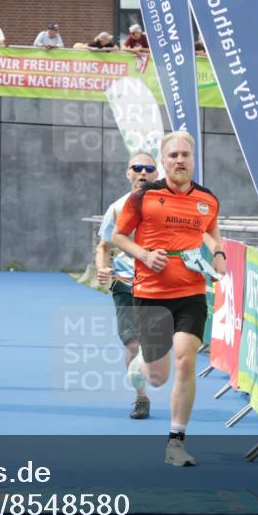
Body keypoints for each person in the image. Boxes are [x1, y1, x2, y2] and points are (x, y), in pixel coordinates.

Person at [111, 131, 225, 467]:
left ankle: (176, 442)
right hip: (151, 293)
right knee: (157, 376)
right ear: (163, 162)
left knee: (187, 360)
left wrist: (217, 253)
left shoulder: (208, 199)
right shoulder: (144, 197)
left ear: (193, 159)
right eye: (173, 155)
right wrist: (145, 256)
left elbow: (212, 231)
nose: (179, 160)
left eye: (185, 155)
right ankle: (140, 363)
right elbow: (119, 236)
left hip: (191, 291)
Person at [96, 152, 159, 419]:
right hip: (125, 284)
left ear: (157, 174)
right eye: (137, 168)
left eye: (149, 168)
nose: (143, 173)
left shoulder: (167, 207)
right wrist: (102, 268)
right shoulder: (116, 208)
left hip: (157, 283)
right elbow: (103, 246)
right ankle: (141, 398)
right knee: (133, 344)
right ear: (128, 173)